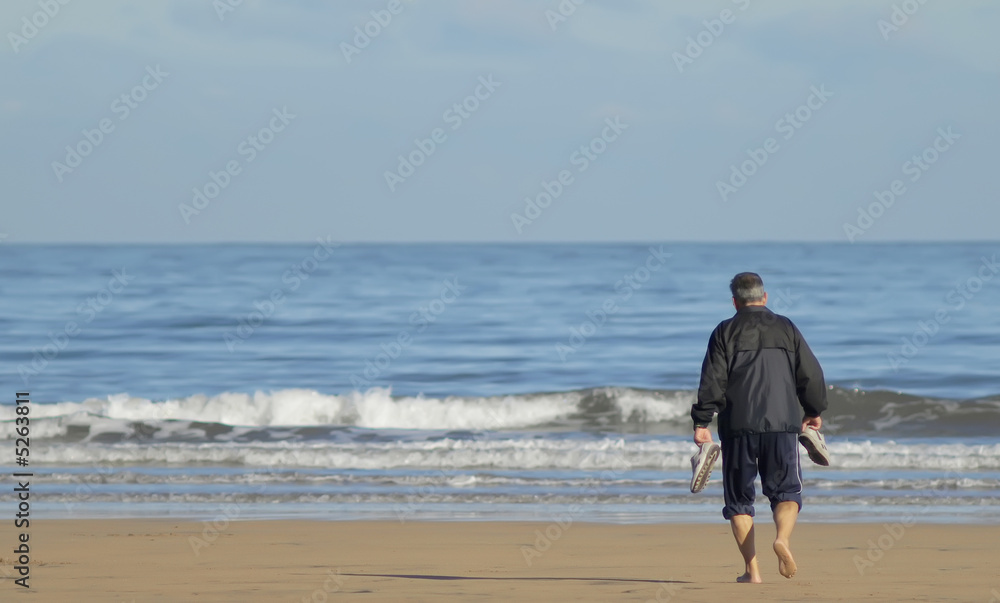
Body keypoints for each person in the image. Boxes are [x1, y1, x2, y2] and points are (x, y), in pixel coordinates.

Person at [690, 272, 828, 583]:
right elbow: (811, 375)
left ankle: (752, 572)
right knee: (786, 492)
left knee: (739, 501)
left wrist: (702, 421)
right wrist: (814, 410)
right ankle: (782, 539)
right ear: (764, 298)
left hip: (738, 426)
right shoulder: (787, 327)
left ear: (735, 302)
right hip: (782, 425)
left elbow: (712, 381)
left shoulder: (724, 331)